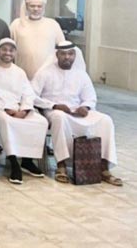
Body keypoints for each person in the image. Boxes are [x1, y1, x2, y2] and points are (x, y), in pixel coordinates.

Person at [32, 41, 122, 186]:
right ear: (57, 55)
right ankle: (61, 166)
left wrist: (85, 106)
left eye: (70, 54)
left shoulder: (81, 74)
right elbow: (32, 96)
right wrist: (54, 105)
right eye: (63, 54)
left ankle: (104, 167)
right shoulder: (45, 72)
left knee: (105, 120)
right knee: (60, 118)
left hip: (77, 111)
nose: (67, 57)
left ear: (75, 55)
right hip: (54, 110)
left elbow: (90, 97)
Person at [0, 38, 48, 184]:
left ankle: (27, 161)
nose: (7, 53)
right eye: (4, 49)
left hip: (18, 108)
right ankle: (14, 162)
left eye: (11, 50)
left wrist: (24, 109)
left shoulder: (19, 72)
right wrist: (5, 108)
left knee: (41, 121)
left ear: (15, 53)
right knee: (7, 122)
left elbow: (28, 93)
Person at [10, 0, 65, 79]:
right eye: (32, 6)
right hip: (22, 76)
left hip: (48, 76)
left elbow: (63, 48)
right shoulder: (16, 24)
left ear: (43, 8)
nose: (36, 9)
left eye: (39, 6)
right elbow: (8, 48)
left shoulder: (52, 24)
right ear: (27, 7)